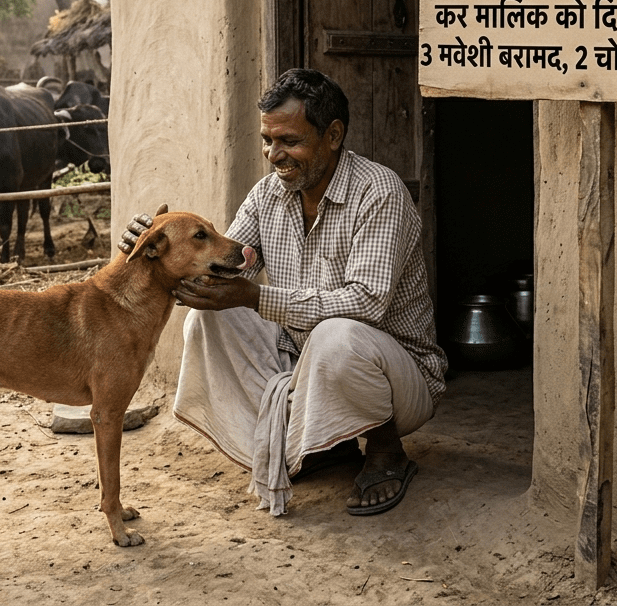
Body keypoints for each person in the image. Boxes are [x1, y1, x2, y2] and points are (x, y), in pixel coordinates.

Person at [118, 68, 447, 516]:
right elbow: (221, 273)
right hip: (303, 360)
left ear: (333, 135)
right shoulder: (268, 196)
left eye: (289, 141)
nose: (274, 155)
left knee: (337, 335)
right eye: (268, 140)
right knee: (208, 316)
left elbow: (367, 302)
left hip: (400, 379)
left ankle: (386, 451)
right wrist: (152, 247)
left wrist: (255, 298)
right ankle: (322, 447)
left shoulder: (379, 192)